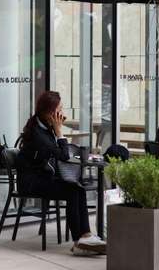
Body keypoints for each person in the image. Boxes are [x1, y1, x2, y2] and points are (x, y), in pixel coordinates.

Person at [16, 91, 106, 256]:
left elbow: (60, 153)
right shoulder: (39, 134)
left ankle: (85, 236)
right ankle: (79, 242)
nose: (62, 113)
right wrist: (59, 131)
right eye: (60, 109)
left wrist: (56, 131)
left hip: (43, 178)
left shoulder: (43, 125)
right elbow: (64, 156)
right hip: (31, 182)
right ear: (50, 112)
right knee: (72, 191)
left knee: (77, 188)